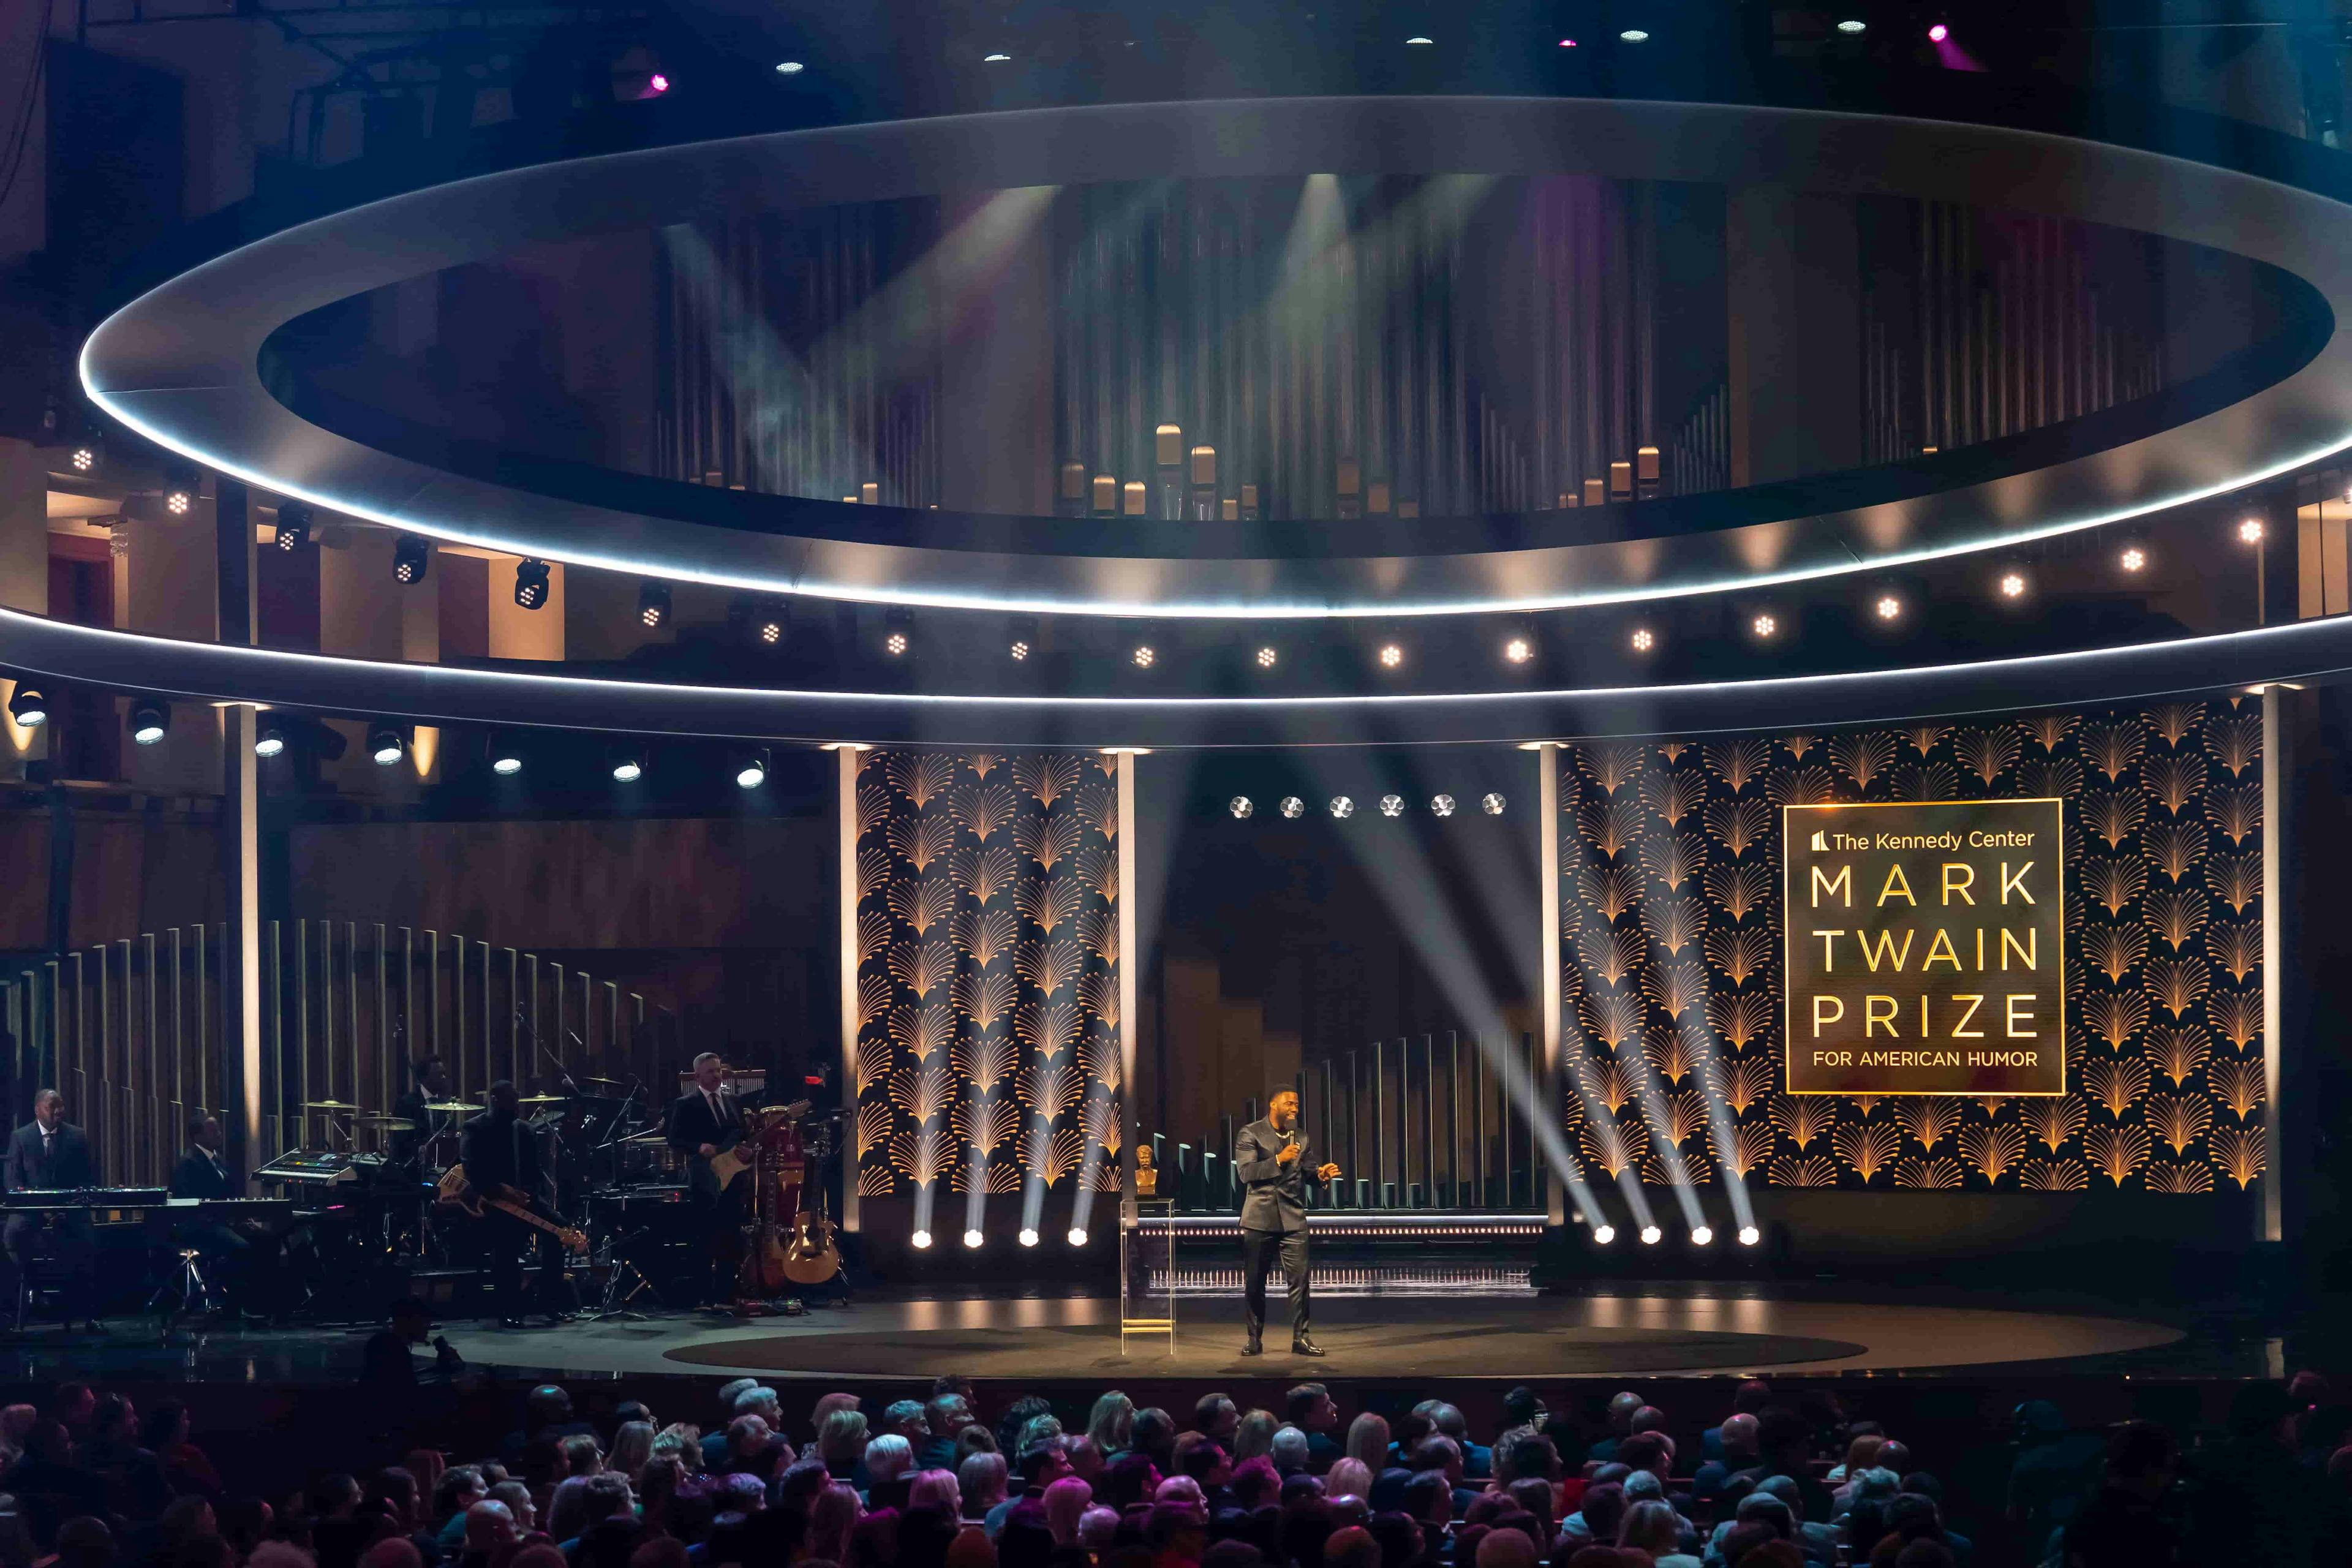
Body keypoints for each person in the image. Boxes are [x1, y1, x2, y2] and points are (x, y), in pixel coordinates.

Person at [1232, 1089, 1339, 1357]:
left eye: (1297, 1104)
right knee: (1255, 1282)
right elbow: (1246, 1173)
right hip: (1260, 1217)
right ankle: (1254, 1339)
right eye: (1289, 1103)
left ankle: (1301, 1339)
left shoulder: (1301, 1136)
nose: (1295, 1107)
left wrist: (1321, 1176)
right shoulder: (1251, 1133)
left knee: (1300, 1282)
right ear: (1273, 1105)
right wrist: (1279, 1159)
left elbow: (1309, 1172)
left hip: (1293, 1217)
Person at [459, 1080, 574, 1328]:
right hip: (491, 1201)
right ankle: (509, 1309)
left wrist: (527, 1196)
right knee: (506, 1244)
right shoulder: (475, 1128)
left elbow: (534, 1172)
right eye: (511, 1100)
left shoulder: (524, 1130)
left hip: (525, 1200)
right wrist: (503, 1190)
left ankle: (548, 1301)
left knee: (559, 1231)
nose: (516, 1105)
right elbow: (473, 1172)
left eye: (517, 1100)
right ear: (495, 1100)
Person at [4, 1088, 100, 1326]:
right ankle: (31, 1290)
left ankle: (88, 1313)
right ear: (37, 1110)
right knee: (12, 1234)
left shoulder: (77, 1137)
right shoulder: (21, 1137)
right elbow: (13, 1183)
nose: (59, 1111)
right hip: (32, 1211)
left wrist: (64, 1209)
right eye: (52, 1107)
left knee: (88, 1239)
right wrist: (43, 1211)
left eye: (61, 1106)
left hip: (69, 1210)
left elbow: (87, 1180)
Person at [666, 1054, 749, 1306]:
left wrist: (746, 1149)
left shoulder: (734, 1101)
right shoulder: (686, 1104)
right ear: (697, 1077)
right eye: (711, 1072)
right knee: (706, 1234)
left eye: (718, 1070)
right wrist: (698, 1146)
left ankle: (727, 1293)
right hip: (704, 1176)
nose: (717, 1075)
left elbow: (742, 1135)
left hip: (733, 1174)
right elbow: (674, 1139)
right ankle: (703, 1294)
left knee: (732, 1233)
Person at [391, 1058, 461, 1169]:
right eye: (439, 1074)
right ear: (424, 1078)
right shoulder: (406, 1103)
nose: (444, 1078)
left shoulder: (446, 1104)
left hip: (442, 1162)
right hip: (413, 1164)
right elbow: (400, 1139)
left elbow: (450, 1134)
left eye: (444, 1073)